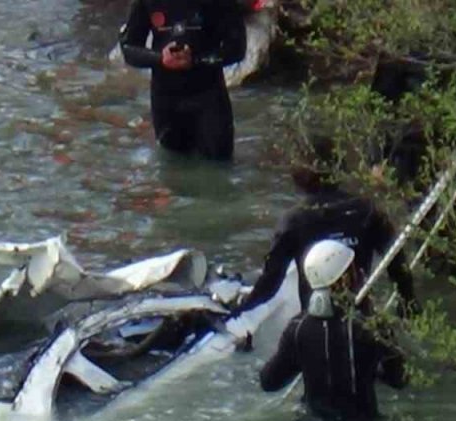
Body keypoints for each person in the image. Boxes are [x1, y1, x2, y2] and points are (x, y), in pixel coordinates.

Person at [233, 140, 419, 318]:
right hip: (360, 316)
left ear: (298, 175)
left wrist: (241, 307)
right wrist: (407, 301)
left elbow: (270, 283)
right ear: (338, 168)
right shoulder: (366, 211)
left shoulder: (294, 221)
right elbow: (397, 263)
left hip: (315, 321)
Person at [259, 240, 408, 421]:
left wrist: (302, 360)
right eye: (353, 269)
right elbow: (400, 378)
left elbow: (269, 382)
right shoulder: (371, 325)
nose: (360, 273)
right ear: (345, 279)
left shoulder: (297, 328)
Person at [118, 0, 248, 162]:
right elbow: (129, 48)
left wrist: (195, 61)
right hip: (166, 98)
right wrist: (161, 59)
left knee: (219, 164)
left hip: (208, 95)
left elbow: (237, 49)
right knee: (173, 166)